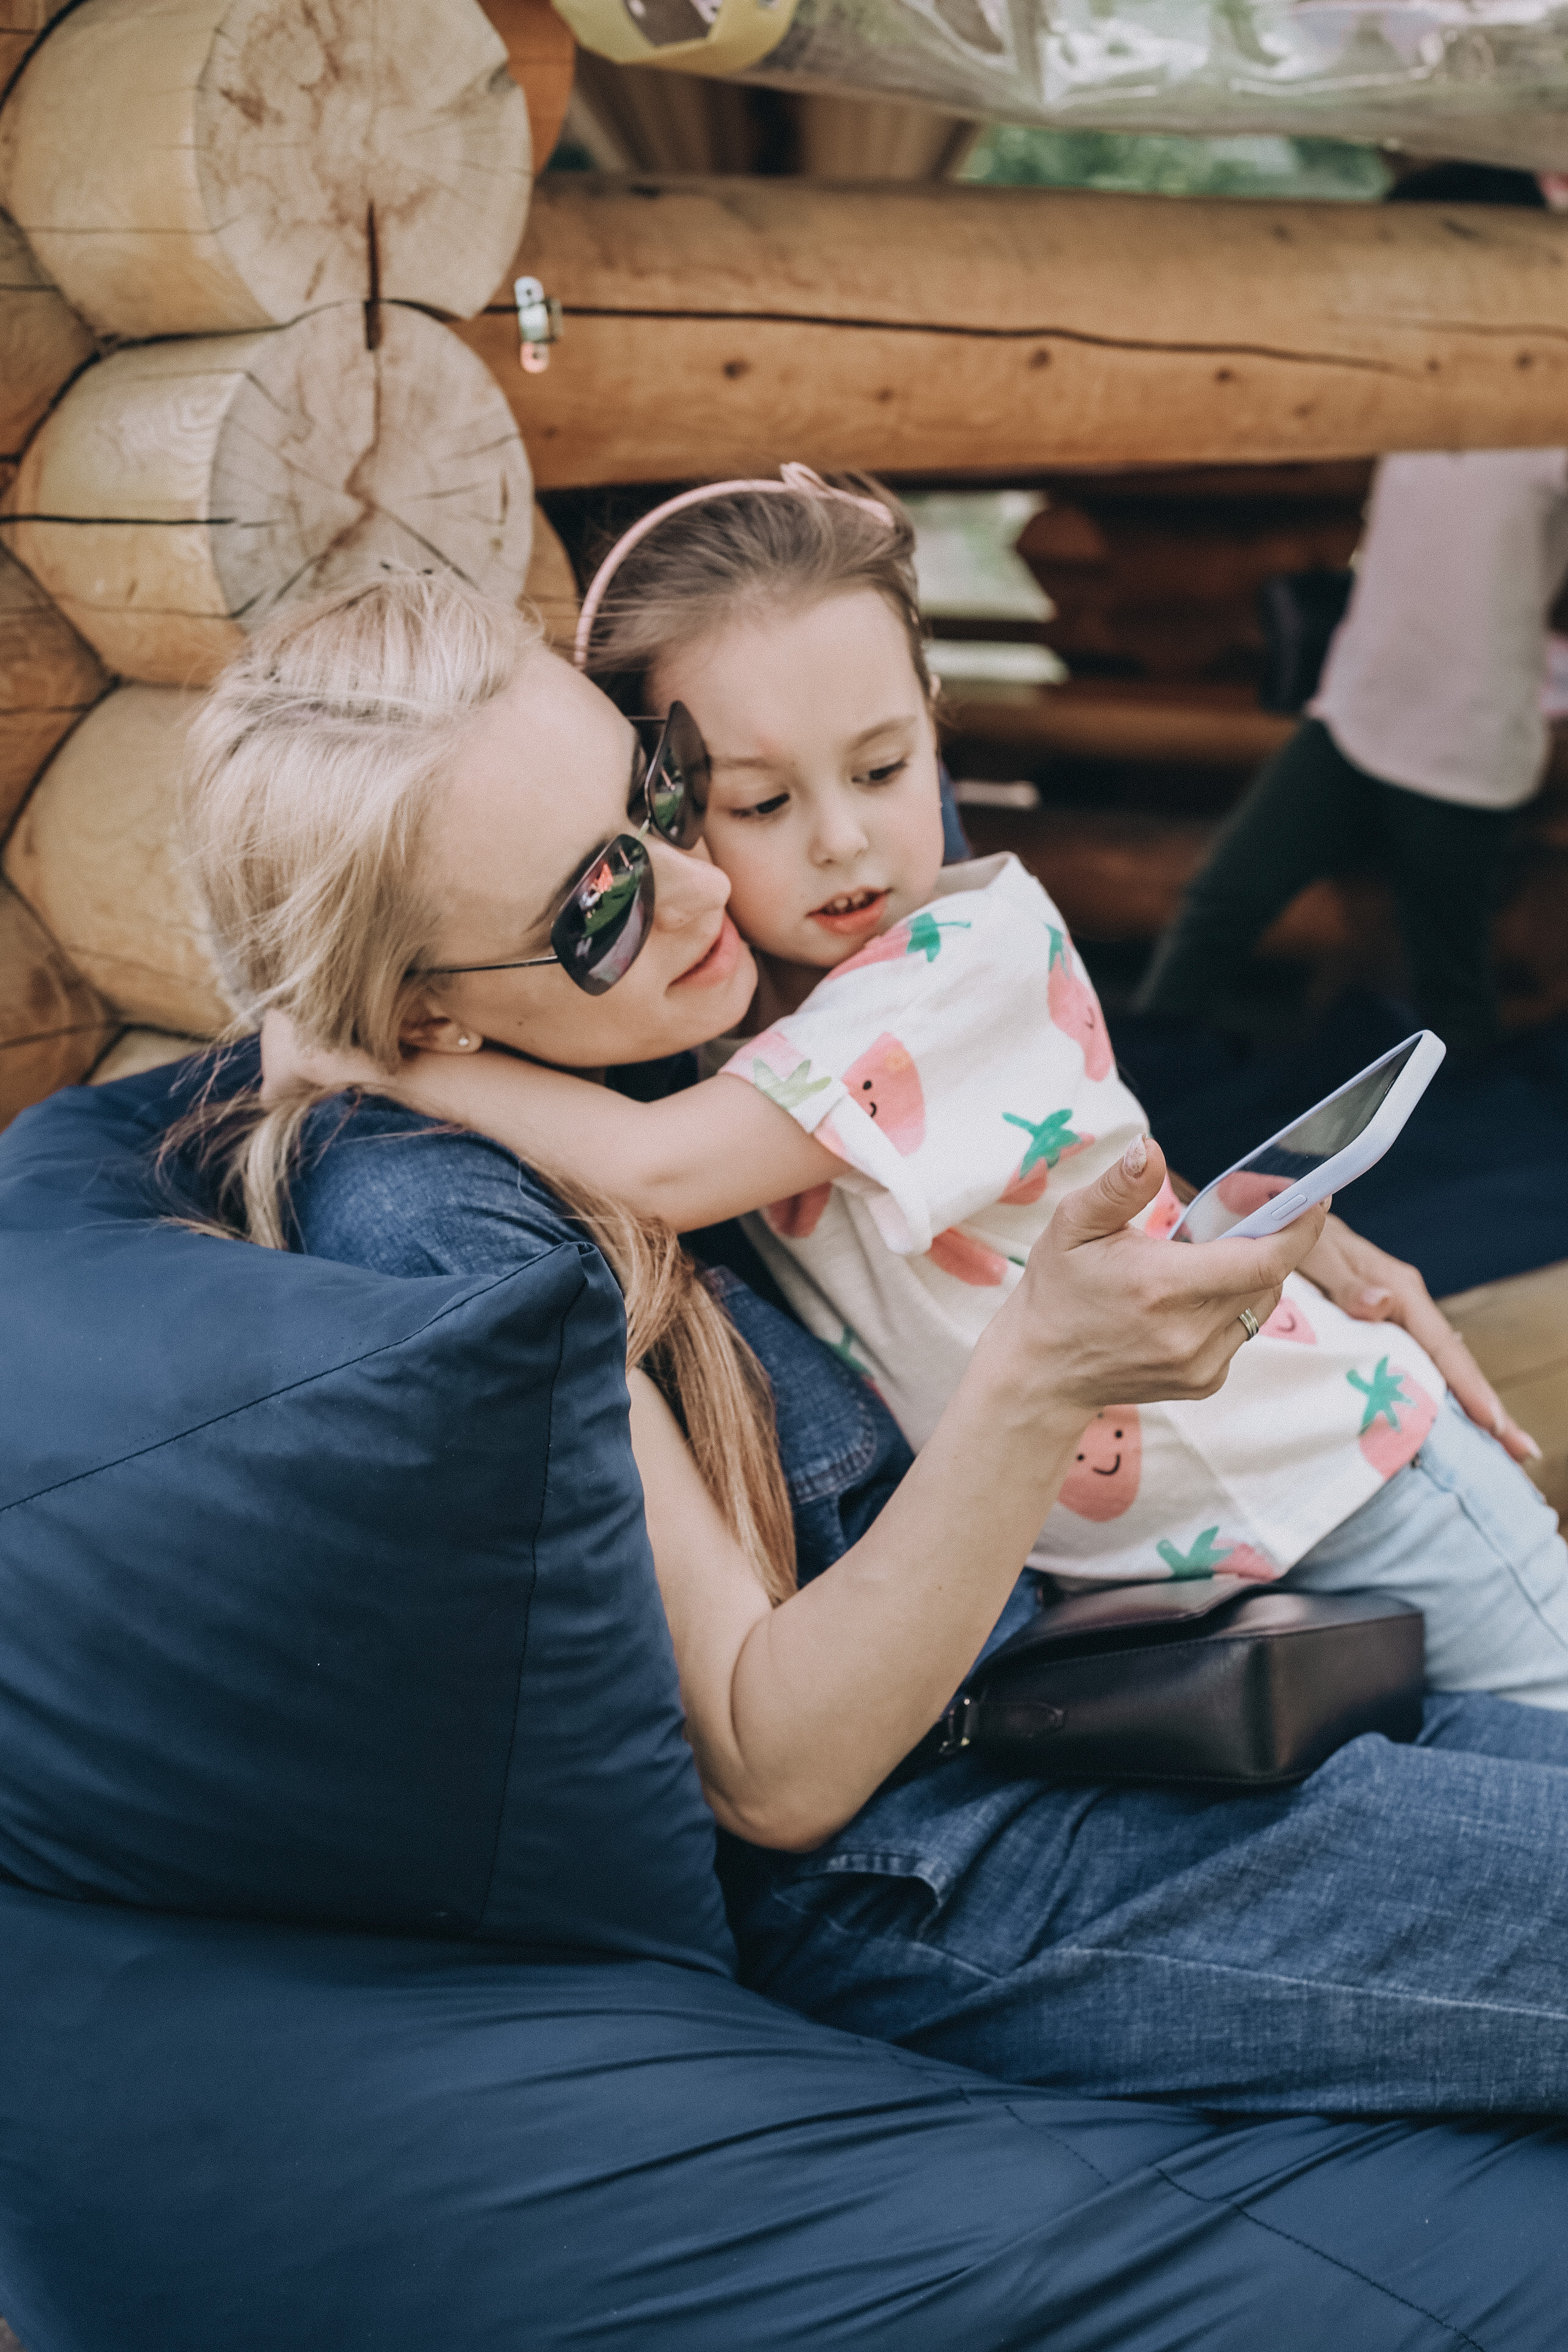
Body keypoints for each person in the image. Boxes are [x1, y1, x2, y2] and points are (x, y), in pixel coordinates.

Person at [177, 567, 1568, 2118]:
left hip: (1124, 1672)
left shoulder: (691, 982)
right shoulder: (444, 1211)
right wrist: (1047, 1373)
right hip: (958, 1836)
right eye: (597, 905)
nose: (702, 886)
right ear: (418, 1015)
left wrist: (1238, 1220)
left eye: (664, 794)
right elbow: (778, 1779)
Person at [266, 472, 1568, 1711]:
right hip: (1186, 1551)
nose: (840, 839)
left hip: (1347, 1474)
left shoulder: (955, 960)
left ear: (932, 725)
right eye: (761, 800)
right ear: (662, 800)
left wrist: (388, 1053)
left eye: (884, 772)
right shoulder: (749, 1000)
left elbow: (657, 1166)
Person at [1136, 164, 1568, 1063]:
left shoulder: (1549, 400)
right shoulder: (1411, 370)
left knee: (1446, 973)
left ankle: (1466, 1141)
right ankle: (1139, 1079)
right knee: (1223, 899)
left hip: (1466, 738)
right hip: (1357, 707)